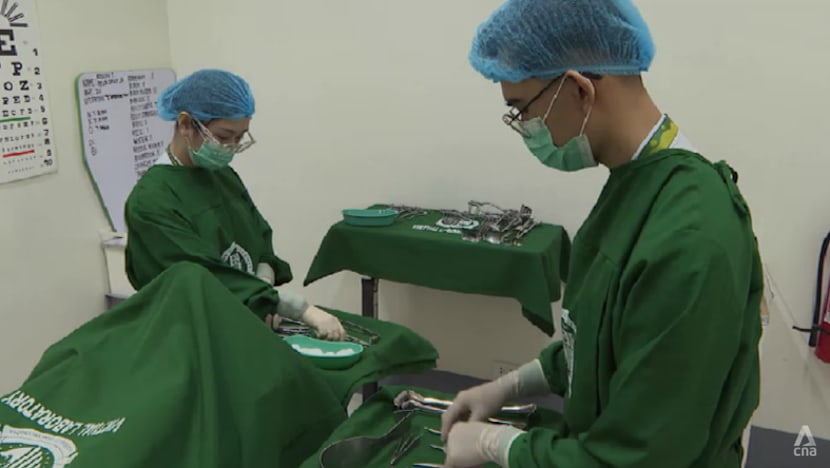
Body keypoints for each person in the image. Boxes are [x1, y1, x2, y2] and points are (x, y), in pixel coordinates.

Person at [439, 1, 763, 467]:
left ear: (578, 89)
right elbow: (606, 333)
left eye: (522, 110)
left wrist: (497, 445)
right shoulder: (638, 182)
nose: (524, 128)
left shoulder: (689, 238)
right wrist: (513, 384)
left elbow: (640, 456)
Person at [124, 69, 345, 340]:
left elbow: (258, 235)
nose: (230, 147)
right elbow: (198, 277)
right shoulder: (152, 201)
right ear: (185, 124)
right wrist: (294, 307)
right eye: (223, 136)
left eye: (239, 138)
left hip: (241, 322)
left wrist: (263, 286)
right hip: (190, 333)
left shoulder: (222, 176)